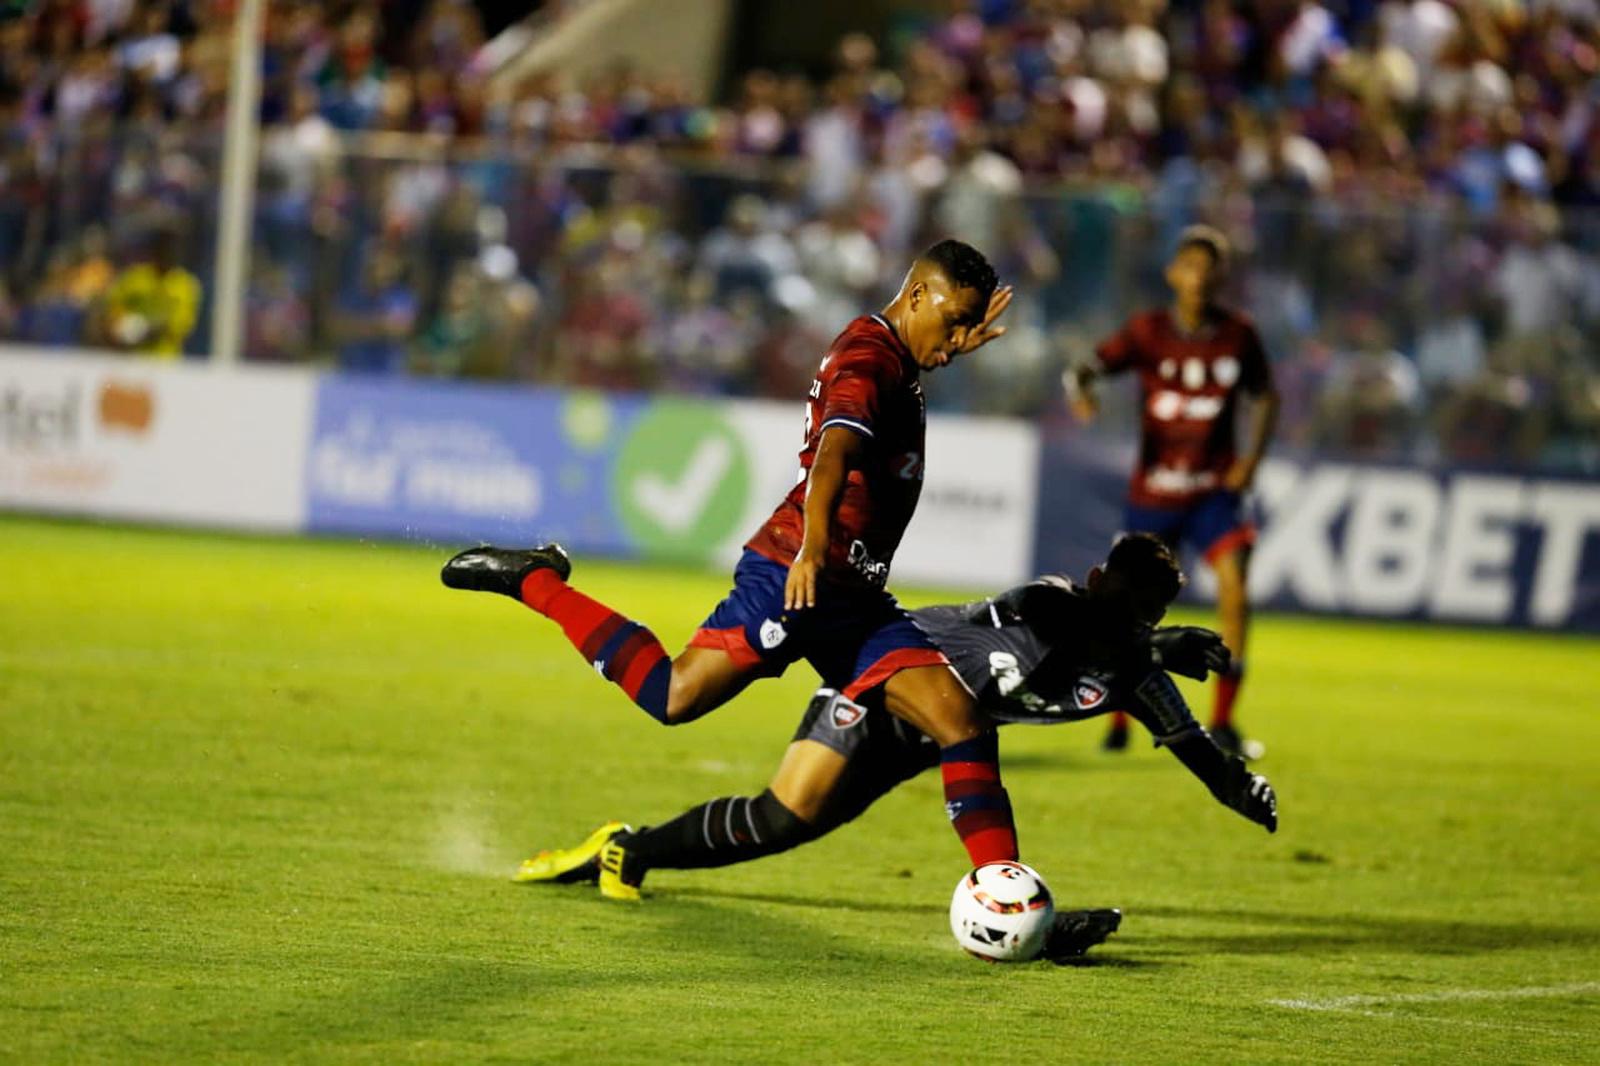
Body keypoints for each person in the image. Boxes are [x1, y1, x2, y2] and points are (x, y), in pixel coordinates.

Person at [444, 240, 1022, 875]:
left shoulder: (899, 360)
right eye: (954, 320)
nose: (960, 335)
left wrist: (947, 343)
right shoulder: (870, 354)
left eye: (968, 324)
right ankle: (537, 582)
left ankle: (1002, 889)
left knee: (962, 722)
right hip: (795, 575)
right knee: (674, 696)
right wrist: (808, 550)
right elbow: (834, 450)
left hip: (853, 600)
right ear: (917, 296)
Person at [513, 534, 1278, 961]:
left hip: (926, 742)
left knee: (783, 820)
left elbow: (1194, 746)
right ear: (1096, 578)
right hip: (886, 684)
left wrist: (1242, 789)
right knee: (794, 810)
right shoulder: (1052, 599)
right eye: (1127, 595)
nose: (1138, 613)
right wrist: (1151, 641)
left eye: (1153, 608)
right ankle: (1020, 911)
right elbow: (1060, 626)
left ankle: (628, 849)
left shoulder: (1140, 674)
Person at [1063, 225, 1280, 759]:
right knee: (1124, 606)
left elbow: (1267, 396)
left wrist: (1250, 459)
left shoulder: (1239, 334)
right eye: (1190, 269)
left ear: (1221, 278)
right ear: (1173, 274)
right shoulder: (1147, 331)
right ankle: (1116, 721)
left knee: (1235, 585)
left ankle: (1224, 720)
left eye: (1209, 271)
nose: (1199, 280)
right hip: (1154, 494)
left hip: (1212, 493)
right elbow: (1084, 369)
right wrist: (1083, 397)